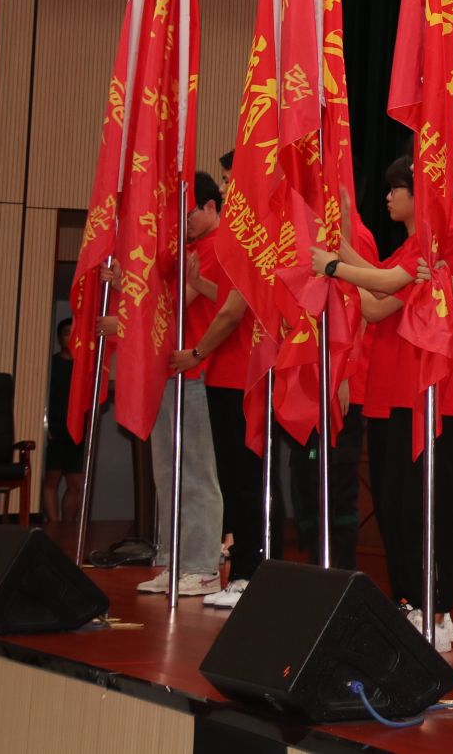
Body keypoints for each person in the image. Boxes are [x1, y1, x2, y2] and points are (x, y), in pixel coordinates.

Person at [313, 121, 453, 653]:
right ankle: (411, 601)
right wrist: (342, 239)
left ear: (448, 163)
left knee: (431, 504)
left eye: (420, 159)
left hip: (435, 385)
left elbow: (384, 290)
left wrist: (334, 263)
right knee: (394, 504)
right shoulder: (422, 235)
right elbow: (376, 297)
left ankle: (438, 609)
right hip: (397, 389)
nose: (414, 170)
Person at [103, 172, 225, 596]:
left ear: (211, 207)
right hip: (168, 372)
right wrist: (127, 288)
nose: (183, 223)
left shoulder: (218, 247)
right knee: (168, 472)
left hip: (197, 371)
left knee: (196, 473)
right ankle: (173, 560)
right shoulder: (185, 251)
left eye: (188, 214)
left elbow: (175, 305)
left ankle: (202, 565)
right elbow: (161, 301)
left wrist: (125, 319)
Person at [172, 150, 270, 608]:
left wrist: (195, 353)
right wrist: (199, 284)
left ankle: (251, 573)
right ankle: (243, 572)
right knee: (232, 477)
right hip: (222, 373)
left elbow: (234, 312)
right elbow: (229, 298)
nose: (227, 189)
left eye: (231, 180)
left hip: (243, 374)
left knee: (246, 480)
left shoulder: (256, 234)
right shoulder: (239, 234)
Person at [43, 318, 85, 531]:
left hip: (77, 428)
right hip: (55, 429)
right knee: (52, 477)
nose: (71, 337)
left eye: (75, 333)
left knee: (75, 482)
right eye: (67, 333)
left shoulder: (84, 366)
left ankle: (68, 527)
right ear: (60, 338)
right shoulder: (50, 365)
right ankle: (53, 525)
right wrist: (44, 426)